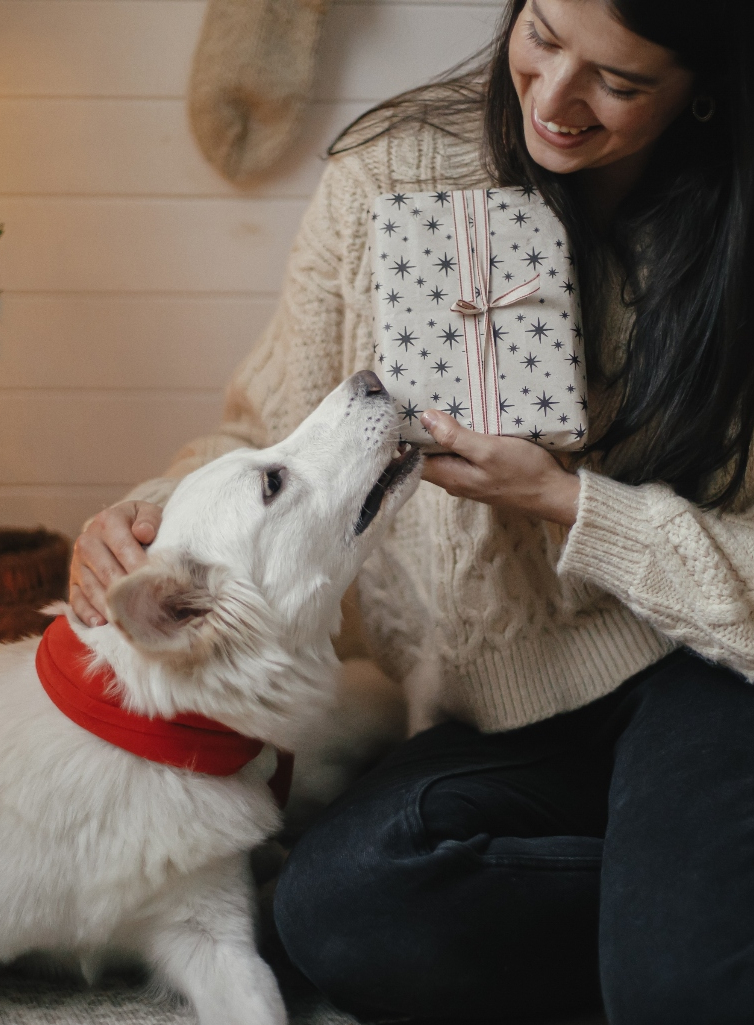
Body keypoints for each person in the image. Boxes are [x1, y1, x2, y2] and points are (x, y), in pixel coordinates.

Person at [69, 0, 754, 1020]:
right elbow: (266, 429)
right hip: (495, 704)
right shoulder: (388, 173)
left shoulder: (732, 239)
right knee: (334, 913)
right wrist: (155, 516)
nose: (556, 98)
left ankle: (678, 921)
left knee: (674, 992)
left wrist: (565, 501)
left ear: (700, 91)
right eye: (543, 35)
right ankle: (677, 897)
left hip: (705, 669)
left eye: (617, 81)